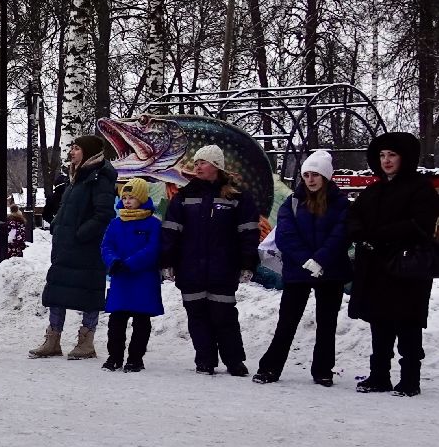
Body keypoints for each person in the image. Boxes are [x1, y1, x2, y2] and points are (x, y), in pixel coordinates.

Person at [347, 131, 439, 396]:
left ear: (405, 157)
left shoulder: (421, 189)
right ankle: (379, 375)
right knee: (380, 322)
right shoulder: (374, 190)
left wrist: (379, 234)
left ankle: (410, 379)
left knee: (407, 324)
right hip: (377, 268)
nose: (386, 161)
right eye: (382, 155)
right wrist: (357, 231)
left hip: (406, 267)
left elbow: (420, 224)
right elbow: (354, 214)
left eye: (392, 155)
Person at [160, 144, 260, 375]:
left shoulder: (237, 197)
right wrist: (167, 261)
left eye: (202, 163)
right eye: (195, 163)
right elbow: (171, 231)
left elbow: (248, 233)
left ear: (216, 166)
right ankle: (204, 359)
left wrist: (247, 263)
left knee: (223, 315)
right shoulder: (184, 196)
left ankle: (234, 360)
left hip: (223, 268)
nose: (197, 167)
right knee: (197, 316)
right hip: (190, 268)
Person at [252, 152, 351, 386]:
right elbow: (285, 233)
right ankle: (270, 368)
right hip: (298, 271)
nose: (310, 179)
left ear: (326, 176)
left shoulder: (341, 203)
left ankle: (323, 370)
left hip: (331, 271)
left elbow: (342, 234)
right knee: (287, 321)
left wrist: (321, 260)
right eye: (306, 174)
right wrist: (306, 259)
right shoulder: (293, 201)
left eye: (315, 174)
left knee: (327, 323)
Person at [32, 135, 116, 361]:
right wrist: (58, 226)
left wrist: (81, 234)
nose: (72, 152)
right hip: (66, 246)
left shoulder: (100, 177)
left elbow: (104, 214)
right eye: (72, 148)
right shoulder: (76, 176)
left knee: (88, 293)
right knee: (57, 292)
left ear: (88, 152)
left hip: (86, 248)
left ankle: (86, 342)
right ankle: (53, 340)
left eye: (76, 148)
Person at [99, 177, 163, 372]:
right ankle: (114, 357)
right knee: (116, 321)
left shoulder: (153, 224)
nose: (127, 201)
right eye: (124, 197)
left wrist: (131, 263)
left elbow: (154, 249)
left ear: (142, 198)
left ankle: (136, 358)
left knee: (141, 321)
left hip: (143, 279)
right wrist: (113, 261)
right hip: (121, 278)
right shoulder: (116, 223)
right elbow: (106, 245)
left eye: (131, 197)